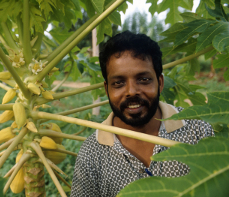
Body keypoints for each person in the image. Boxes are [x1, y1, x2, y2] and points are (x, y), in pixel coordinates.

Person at [70, 31, 214, 197]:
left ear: (160, 83)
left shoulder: (198, 131)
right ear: (106, 89)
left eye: (143, 80)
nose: (132, 91)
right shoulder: (91, 154)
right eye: (118, 83)